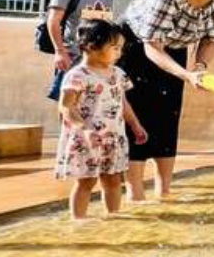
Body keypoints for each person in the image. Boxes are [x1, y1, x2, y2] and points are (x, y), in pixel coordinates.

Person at [119, 0, 214, 202]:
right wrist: (186, 75)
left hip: (174, 49)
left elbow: (209, 40)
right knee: (137, 117)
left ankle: (165, 192)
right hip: (136, 48)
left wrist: (200, 68)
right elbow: (152, 47)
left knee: (167, 116)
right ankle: (135, 194)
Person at [55, 20, 147, 219]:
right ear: (91, 46)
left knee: (113, 179)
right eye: (114, 48)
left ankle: (113, 216)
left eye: (120, 48)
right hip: (87, 139)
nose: (119, 52)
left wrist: (135, 124)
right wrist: (84, 130)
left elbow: (123, 103)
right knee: (86, 182)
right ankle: (79, 220)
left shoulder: (118, 74)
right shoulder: (77, 76)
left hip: (113, 137)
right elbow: (66, 106)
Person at [45, 0, 116, 102]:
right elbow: (53, 21)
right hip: (73, 57)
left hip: (102, 60)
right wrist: (60, 51)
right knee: (69, 102)